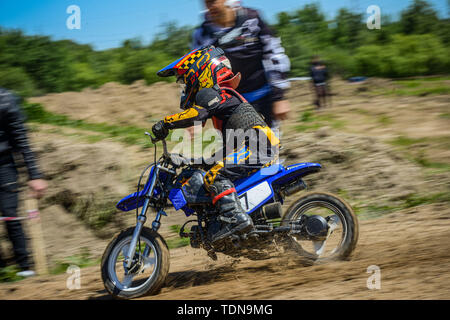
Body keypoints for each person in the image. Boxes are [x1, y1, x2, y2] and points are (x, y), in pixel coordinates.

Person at [151, 46, 280, 243]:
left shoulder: (212, 93)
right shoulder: (222, 99)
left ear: (199, 71)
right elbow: (231, 146)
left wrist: (166, 122)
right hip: (257, 146)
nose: (184, 87)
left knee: (215, 175)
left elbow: (197, 114)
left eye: (184, 80)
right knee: (213, 170)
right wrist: (202, 161)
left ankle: (236, 221)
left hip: (258, 146)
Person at [192, 0, 291, 132]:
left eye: (214, 1)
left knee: (267, 148)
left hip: (263, 98)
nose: (211, 6)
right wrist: (196, 114)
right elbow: (196, 74)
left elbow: (274, 54)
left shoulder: (252, 19)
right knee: (237, 150)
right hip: (229, 104)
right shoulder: (202, 34)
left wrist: (279, 96)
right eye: (207, 2)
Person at [0, 87, 48, 277]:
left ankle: (24, 268)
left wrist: (34, 174)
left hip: (4, 165)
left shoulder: (5, 100)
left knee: (10, 214)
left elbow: (21, 140)